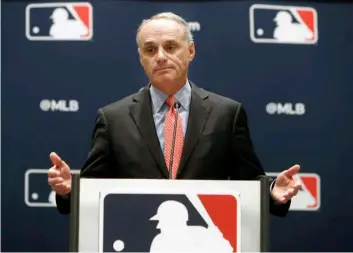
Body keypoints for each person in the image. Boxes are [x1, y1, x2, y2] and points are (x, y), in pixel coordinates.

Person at [48, 12, 302, 215]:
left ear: (190, 51)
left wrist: (271, 192)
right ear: (141, 59)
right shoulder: (113, 118)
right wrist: (70, 191)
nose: (160, 57)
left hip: (206, 237)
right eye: (150, 50)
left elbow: (248, 181)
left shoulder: (227, 113)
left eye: (170, 47)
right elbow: (93, 188)